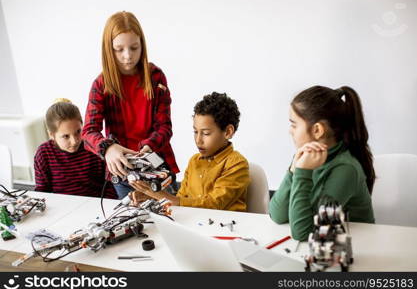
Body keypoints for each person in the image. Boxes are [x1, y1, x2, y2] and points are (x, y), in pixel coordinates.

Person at [82, 11, 179, 199]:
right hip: (124, 174)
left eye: (134, 48)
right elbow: (88, 132)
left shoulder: (156, 77)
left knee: (169, 219)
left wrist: (148, 147)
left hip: (158, 168)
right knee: (133, 223)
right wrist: (107, 148)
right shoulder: (101, 85)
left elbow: (165, 127)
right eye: (119, 49)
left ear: (142, 44)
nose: (128, 56)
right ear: (108, 49)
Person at [269, 86, 375, 241]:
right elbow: (277, 215)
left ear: (317, 130)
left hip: (358, 249)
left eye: (294, 124)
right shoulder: (307, 157)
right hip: (324, 248)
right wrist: (293, 171)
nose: (290, 131)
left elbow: (303, 233)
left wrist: (302, 174)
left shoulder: (346, 169)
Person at [129, 92, 250, 211]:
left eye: (206, 133)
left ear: (228, 132)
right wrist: (151, 198)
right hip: (194, 224)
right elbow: (181, 199)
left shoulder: (237, 164)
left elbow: (214, 204)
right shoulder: (194, 161)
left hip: (222, 228)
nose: (198, 140)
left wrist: (164, 196)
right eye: (195, 132)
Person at [34, 99, 116, 198]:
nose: (74, 141)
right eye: (66, 136)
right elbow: (42, 191)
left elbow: (109, 187)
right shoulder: (44, 153)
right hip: (62, 207)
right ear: (51, 135)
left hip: (95, 205)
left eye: (78, 132)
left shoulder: (94, 147)